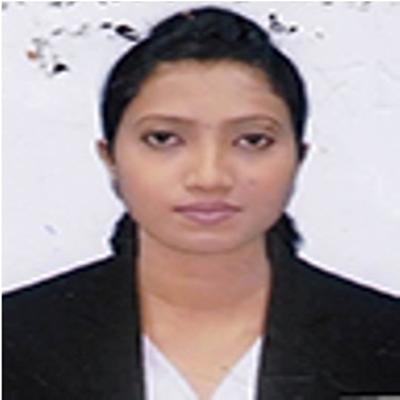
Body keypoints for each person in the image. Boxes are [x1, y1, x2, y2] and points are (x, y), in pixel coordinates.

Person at [3, 6, 400, 400]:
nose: (210, 177)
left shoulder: (383, 337)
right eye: (163, 138)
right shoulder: (15, 337)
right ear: (110, 157)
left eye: (253, 140)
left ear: (299, 156)